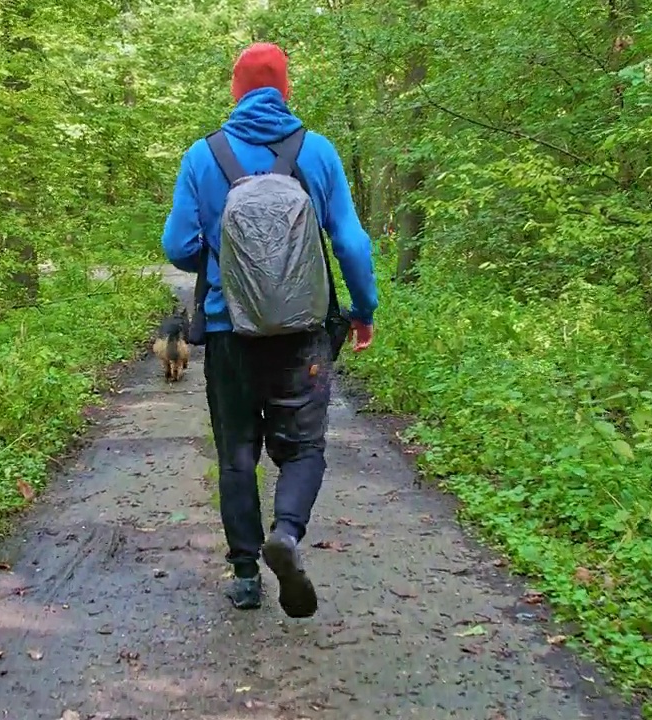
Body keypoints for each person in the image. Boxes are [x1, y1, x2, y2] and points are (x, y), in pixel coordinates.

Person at [160, 42, 378, 618]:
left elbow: (178, 247)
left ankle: (245, 574)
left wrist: (221, 256)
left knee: (237, 455)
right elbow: (352, 242)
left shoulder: (203, 156)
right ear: (285, 90)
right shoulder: (319, 152)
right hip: (303, 334)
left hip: (229, 332)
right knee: (303, 448)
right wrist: (363, 310)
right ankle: (286, 532)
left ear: (236, 90)